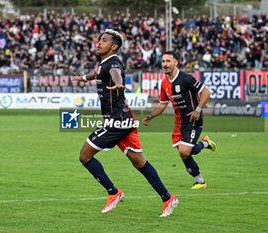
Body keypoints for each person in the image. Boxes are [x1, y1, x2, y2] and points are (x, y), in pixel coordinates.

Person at [73, 29, 178, 217]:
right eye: (99, 40)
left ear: (113, 46)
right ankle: (167, 198)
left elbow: (115, 73)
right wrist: (82, 78)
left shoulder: (113, 63)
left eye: (103, 40)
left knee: (85, 156)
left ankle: (114, 192)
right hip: (124, 119)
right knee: (139, 162)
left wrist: (119, 83)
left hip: (117, 121)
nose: (98, 43)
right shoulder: (102, 64)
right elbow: (95, 73)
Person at [142, 51, 217, 190]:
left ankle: (206, 143)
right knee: (183, 153)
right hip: (179, 122)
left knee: (185, 151)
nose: (165, 64)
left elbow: (206, 92)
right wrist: (151, 116)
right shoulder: (164, 83)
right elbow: (163, 104)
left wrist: (198, 110)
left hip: (194, 119)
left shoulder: (186, 79)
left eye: (168, 61)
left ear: (175, 62)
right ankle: (200, 181)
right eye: (163, 61)